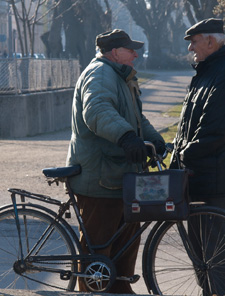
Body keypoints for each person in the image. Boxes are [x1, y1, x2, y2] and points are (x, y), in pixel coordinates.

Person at [66, 29, 165, 294]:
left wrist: (156, 141)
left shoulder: (121, 77)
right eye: (130, 49)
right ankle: (93, 291)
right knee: (98, 247)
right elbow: (97, 110)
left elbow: (137, 119)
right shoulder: (100, 74)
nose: (136, 54)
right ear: (114, 52)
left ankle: (120, 288)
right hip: (100, 177)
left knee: (126, 238)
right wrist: (126, 138)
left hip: (121, 176)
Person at [170, 18, 225, 295]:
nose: (191, 47)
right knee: (202, 257)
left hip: (215, 179)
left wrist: (184, 153)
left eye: (194, 41)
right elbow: (187, 126)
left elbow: (217, 130)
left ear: (211, 41)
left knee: (219, 258)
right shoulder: (205, 73)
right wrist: (175, 153)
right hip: (197, 177)